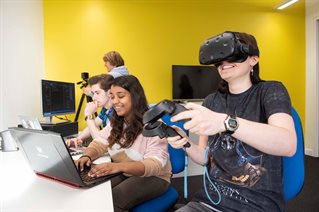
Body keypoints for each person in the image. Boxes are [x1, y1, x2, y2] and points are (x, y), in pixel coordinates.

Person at [168, 31, 297, 212]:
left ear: (253, 59)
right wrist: (185, 143)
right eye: (220, 59)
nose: (225, 63)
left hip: (256, 205)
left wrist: (225, 122)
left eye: (233, 56)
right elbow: (205, 158)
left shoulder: (270, 91)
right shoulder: (211, 101)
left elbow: (288, 144)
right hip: (209, 202)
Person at [75, 75, 171, 212]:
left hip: (155, 176)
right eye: (112, 96)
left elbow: (154, 165)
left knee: (113, 200)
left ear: (135, 97)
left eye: (121, 96)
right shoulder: (116, 122)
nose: (115, 101)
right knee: (93, 191)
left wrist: (118, 167)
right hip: (124, 170)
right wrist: (86, 156)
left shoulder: (154, 126)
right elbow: (100, 142)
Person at [66, 74, 114, 148]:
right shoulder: (105, 109)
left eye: (97, 93)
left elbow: (100, 141)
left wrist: (88, 115)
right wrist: (78, 138)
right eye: (93, 93)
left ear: (109, 92)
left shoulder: (117, 111)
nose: (94, 97)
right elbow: (93, 125)